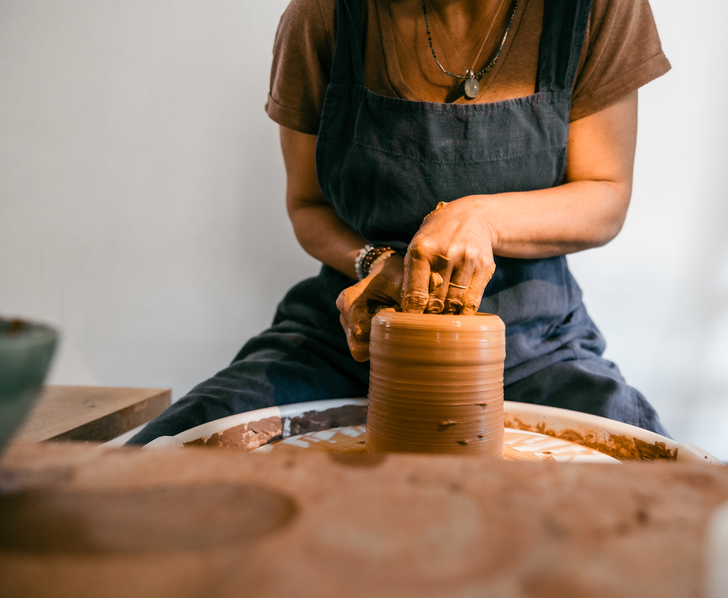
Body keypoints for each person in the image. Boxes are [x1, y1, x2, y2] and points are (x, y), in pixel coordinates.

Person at [129, 0, 671, 444]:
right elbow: (308, 207)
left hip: (535, 341)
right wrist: (375, 262)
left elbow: (606, 196)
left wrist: (482, 218)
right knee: (179, 445)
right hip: (347, 333)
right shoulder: (322, 15)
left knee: (648, 470)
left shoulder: (597, 8)